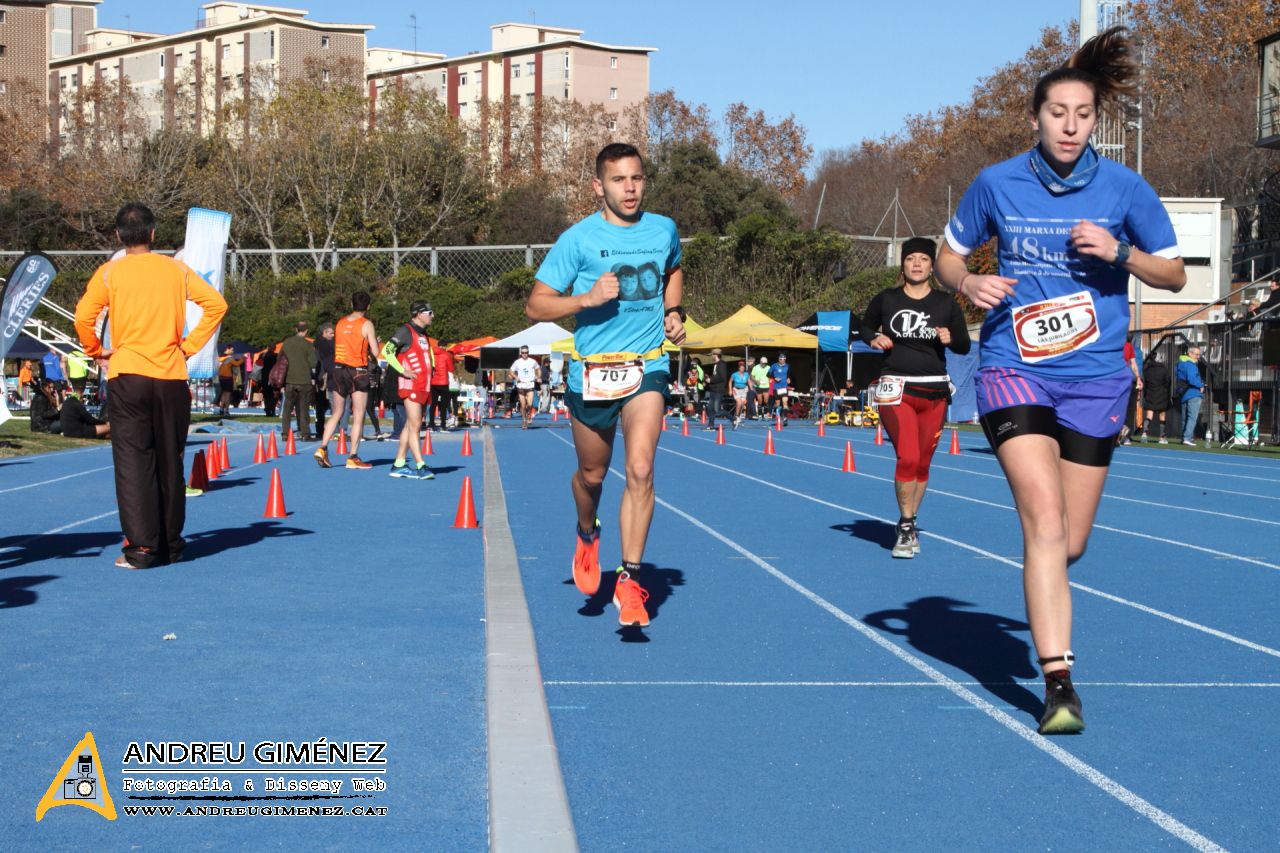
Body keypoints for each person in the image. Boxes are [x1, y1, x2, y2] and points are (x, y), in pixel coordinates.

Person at [934, 28, 1185, 735]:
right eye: (1057, 113)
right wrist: (971, 280)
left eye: (1083, 114)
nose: (1070, 126)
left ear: (1095, 120)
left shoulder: (1125, 188)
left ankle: (1047, 581)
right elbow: (951, 258)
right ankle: (1059, 683)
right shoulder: (997, 183)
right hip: (1013, 367)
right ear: (1035, 118)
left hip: (1097, 377)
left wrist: (1121, 251)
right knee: (1043, 522)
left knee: (1067, 541)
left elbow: (1174, 272)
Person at [525, 141, 686, 628]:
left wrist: (673, 311)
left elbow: (673, 269)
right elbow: (535, 305)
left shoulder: (663, 230)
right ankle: (585, 530)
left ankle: (630, 580)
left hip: (647, 365)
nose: (630, 188)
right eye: (619, 180)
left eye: (636, 178)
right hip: (592, 372)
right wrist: (585, 298)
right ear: (599, 186)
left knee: (639, 469)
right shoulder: (577, 239)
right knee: (592, 477)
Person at [74, 202, 228, 569]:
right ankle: (171, 544)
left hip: (128, 376)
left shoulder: (111, 273)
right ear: (154, 234)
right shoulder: (175, 268)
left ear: (117, 236)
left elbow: (84, 317)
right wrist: (189, 346)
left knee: (133, 461)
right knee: (170, 461)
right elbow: (216, 305)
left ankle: (143, 547)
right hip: (172, 376)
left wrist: (96, 351)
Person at [861, 236, 971, 559]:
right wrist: (874, 338)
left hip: (935, 391)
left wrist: (952, 338)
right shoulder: (886, 299)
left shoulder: (946, 303)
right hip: (897, 388)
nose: (917, 264)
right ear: (903, 264)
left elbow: (964, 345)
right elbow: (865, 327)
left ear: (932, 265)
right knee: (907, 456)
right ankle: (907, 526)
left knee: (923, 463)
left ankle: (910, 520)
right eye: (911, 259)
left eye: (923, 259)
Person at [315, 292, 381, 469]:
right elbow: (375, 351)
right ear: (368, 306)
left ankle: (322, 447)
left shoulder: (340, 323)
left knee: (336, 412)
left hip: (338, 370)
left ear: (351, 304)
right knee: (358, 414)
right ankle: (353, 456)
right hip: (357, 371)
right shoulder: (366, 324)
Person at [384, 301, 436, 480]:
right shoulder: (406, 331)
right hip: (411, 385)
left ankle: (399, 463)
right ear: (419, 313)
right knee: (415, 426)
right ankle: (421, 464)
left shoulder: (424, 334)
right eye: (429, 313)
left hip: (423, 385)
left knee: (410, 425)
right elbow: (387, 350)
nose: (432, 316)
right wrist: (402, 370)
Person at [279, 321, 317, 439]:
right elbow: (313, 363)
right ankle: (305, 433)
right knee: (303, 408)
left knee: (287, 409)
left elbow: (280, 359)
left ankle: (285, 433)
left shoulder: (287, 343)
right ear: (306, 331)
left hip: (290, 380)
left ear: (296, 330)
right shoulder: (308, 345)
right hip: (304, 380)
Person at [1176, 345, 1205, 446]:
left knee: (1185, 417)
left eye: (1199, 355)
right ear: (1190, 353)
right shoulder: (1191, 365)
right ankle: (1187, 438)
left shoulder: (1180, 363)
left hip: (1184, 393)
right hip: (1193, 393)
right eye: (1196, 354)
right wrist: (1201, 385)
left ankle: (1184, 437)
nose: (1198, 357)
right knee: (1192, 417)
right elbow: (1192, 378)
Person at [1139, 354, 1170, 443]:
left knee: (1149, 415)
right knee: (1162, 415)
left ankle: (1144, 434)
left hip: (1150, 393)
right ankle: (1162, 437)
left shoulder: (1147, 370)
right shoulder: (1163, 370)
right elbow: (1167, 382)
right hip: (1162, 394)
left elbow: (1145, 383)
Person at [1119, 336, 1142, 445]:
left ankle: (1124, 435)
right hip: (1123, 380)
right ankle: (1122, 435)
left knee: (1126, 408)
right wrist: (1138, 377)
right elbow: (1133, 363)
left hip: (1121, 380)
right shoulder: (1128, 346)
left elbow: (1133, 363)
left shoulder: (1127, 346)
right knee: (1128, 409)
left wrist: (1138, 378)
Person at [509, 346, 539, 429]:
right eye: (523, 353)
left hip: (530, 385)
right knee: (523, 405)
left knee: (529, 405)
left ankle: (529, 415)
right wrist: (515, 377)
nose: (524, 354)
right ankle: (524, 421)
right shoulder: (517, 362)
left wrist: (538, 377)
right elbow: (511, 371)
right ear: (520, 353)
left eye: (526, 353)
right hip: (521, 385)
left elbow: (538, 368)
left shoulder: (533, 361)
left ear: (528, 353)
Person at [428, 336, 454, 431]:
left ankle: (431, 424)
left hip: (433, 381)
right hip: (443, 382)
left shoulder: (431, 354)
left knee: (433, 404)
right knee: (444, 405)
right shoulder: (447, 355)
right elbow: (451, 369)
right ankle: (443, 425)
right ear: (444, 346)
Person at [313, 322, 334, 433]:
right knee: (328, 403)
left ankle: (320, 428)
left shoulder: (317, 343)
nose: (332, 335)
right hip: (324, 375)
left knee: (321, 405)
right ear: (324, 333)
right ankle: (327, 429)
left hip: (321, 376)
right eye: (330, 333)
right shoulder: (324, 344)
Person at [704, 349, 729, 430]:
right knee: (710, 408)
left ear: (716, 355)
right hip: (713, 389)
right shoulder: (715, 364)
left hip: (719, 390)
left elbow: (722, 377)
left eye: (712, 355)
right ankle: (711, 424)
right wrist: (709, 378)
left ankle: (733, 418)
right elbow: (716, 376)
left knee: (717, 410)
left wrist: (711, 380)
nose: (711, 356)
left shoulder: (722, 364)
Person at [216, 345, 243, 416]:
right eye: (232, 349)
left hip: (221, 378)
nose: (233, 351)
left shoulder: (219, 357)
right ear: (227, 349)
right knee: (227, 395)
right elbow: (237, 364)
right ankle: (226, 411)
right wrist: (244, 358)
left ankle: (221, 410)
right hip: (228, 378)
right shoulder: (229, 358)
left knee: (223, 394)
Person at [769, 353, 793, 424]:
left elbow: (789, 373)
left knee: (785, 402)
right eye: (781, 359)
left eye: (784, 359)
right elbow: (768, 374)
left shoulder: (788, 366)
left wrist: (789, 378)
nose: (783, 361)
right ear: (779, 359)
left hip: (784, 387)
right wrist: (775, 378)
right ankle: (776, 414)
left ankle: (785, 418)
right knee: (777, 405)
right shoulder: (774, 366)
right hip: (776, 388)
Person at [730, 359, 751, 428]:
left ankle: (738, 416)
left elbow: (749, 381)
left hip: (744, 390)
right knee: (738, 403)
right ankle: (736, 417)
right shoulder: (734, 374)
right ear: (739, 368)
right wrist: (730, 390)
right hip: (736, 389)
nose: (742, 368)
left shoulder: (746, 374)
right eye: (741, 367)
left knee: (742, 404)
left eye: (743, 367)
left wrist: (751, 389)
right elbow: (730, 382)